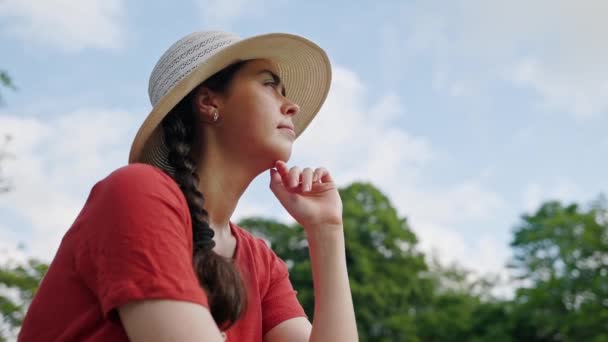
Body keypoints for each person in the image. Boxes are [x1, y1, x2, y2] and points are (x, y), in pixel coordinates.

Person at [18, 30, 358, 341]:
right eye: (269, 84)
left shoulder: (262, 264)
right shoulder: (136, 193)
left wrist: (326, 229)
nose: (292, 105)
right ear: (209, 102)